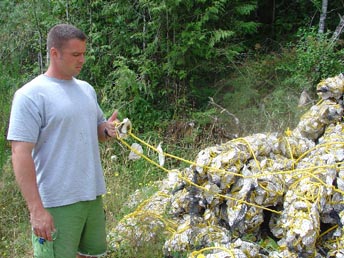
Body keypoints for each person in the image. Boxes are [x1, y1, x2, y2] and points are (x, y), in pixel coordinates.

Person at [7, 24, 118, 258]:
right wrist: (36, 210)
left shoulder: (86, 90)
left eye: (84, 53)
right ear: (54, 53)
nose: (82, 60)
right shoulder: (30, 95)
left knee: (93, 254)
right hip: (57, 201)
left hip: (92, 194)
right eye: (75, 55)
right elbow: (20, 153)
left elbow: (96, 129)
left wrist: (106, 129)